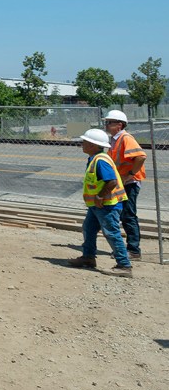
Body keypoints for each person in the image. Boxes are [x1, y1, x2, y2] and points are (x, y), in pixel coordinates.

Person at [67, 128, 132, 277]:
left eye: (85, 142)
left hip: (107, 205)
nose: (82, 144)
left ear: (93, 145)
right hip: (97, 206)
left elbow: (112, 182)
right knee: (89, 228)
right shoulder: (95, 158)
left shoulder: (100, 161)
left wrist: (100, 196)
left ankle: (124, 265)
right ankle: (88, 258)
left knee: (111, 233)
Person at [103, 109, 147, 259]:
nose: (106, 125)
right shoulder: (114, 139)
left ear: (119, 125)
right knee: (125, 215)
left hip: (130, 183)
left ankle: (134, 250)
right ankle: (130, 249)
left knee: (128, 215)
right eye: (106, 122)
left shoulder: (125, 138)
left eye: (109, 122)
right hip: (123, 183)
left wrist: (130, 175)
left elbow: (140, 157)